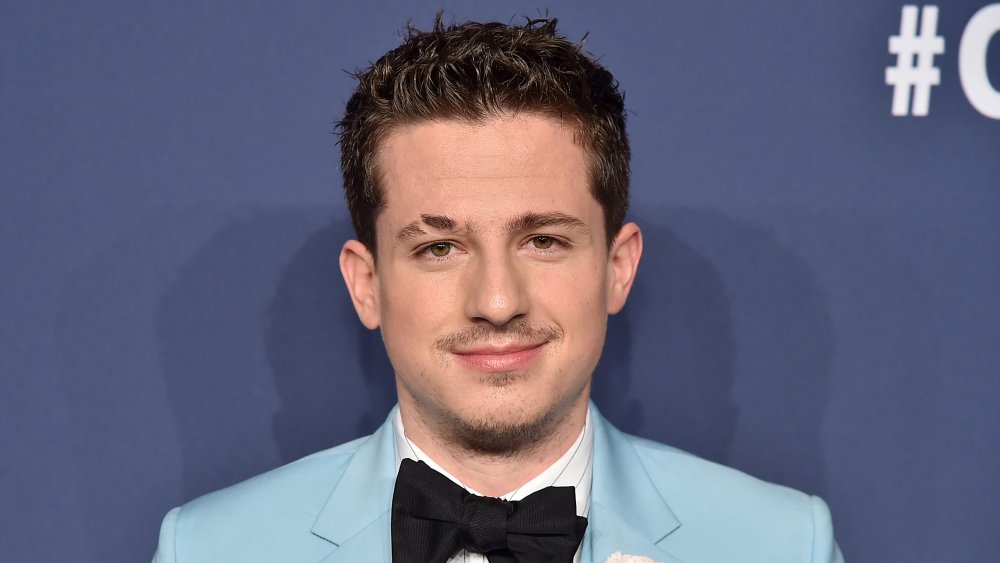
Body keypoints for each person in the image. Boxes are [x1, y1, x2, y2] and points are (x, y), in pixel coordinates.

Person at [152, 16, 844, 563]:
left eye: (543, 239)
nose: (497, 300)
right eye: (439, 247)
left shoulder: (781, 545)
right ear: (367, 284)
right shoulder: (209, 550)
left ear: (617, 266)